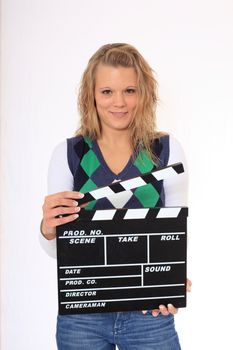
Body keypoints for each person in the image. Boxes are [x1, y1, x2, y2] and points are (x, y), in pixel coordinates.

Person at [40, 43, 191, 350]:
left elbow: (173, 235)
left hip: (149, 312)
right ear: (91, 95)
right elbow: (59, 251)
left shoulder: (166, 150)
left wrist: (172, 282)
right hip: (83, 314)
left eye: (130, 90)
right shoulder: (70, 154)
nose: (119, 102)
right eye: (107, 91)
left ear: (144, 94)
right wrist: (47, 228)